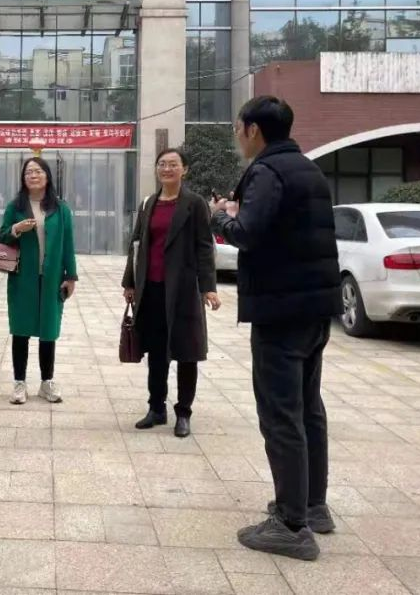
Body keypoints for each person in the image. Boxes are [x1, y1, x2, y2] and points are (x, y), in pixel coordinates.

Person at [211, 96, 342, 562]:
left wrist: (219, 216)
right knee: (308, 410)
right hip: (314, 308)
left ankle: (290, 525)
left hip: (281, 311)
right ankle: (313, 506)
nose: (237, 136)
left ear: (253, 129)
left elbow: (248, 232)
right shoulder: (308, 169)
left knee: (281, 415)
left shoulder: (267, 171)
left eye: (238, 128)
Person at [122, 148, 221, 438]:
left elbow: (205, 247)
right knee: (156, 352)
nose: (167, 169)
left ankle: (184, 412)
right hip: (151, 289)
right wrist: (130, 283)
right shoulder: (148, 203)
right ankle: (156, 408)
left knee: (187, 352)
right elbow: (136, 244)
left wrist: (208, 287)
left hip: (184, 290)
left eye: (173, 164)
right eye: (162, 164)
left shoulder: (195, 203)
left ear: (184, 170)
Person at [0, 157, 77, 405]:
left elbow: (68, 244)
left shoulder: (61, 209)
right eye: (28, 172)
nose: (33, 175)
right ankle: (19, 383)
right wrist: (16, 228)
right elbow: (2, 236)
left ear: (47, 176)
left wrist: (71, 276)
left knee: (48, 330)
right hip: (23, 277)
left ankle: (46, 382)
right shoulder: (15, 207)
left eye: (38, 171)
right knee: (20, 329)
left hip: (52, 278)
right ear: (23, 178)